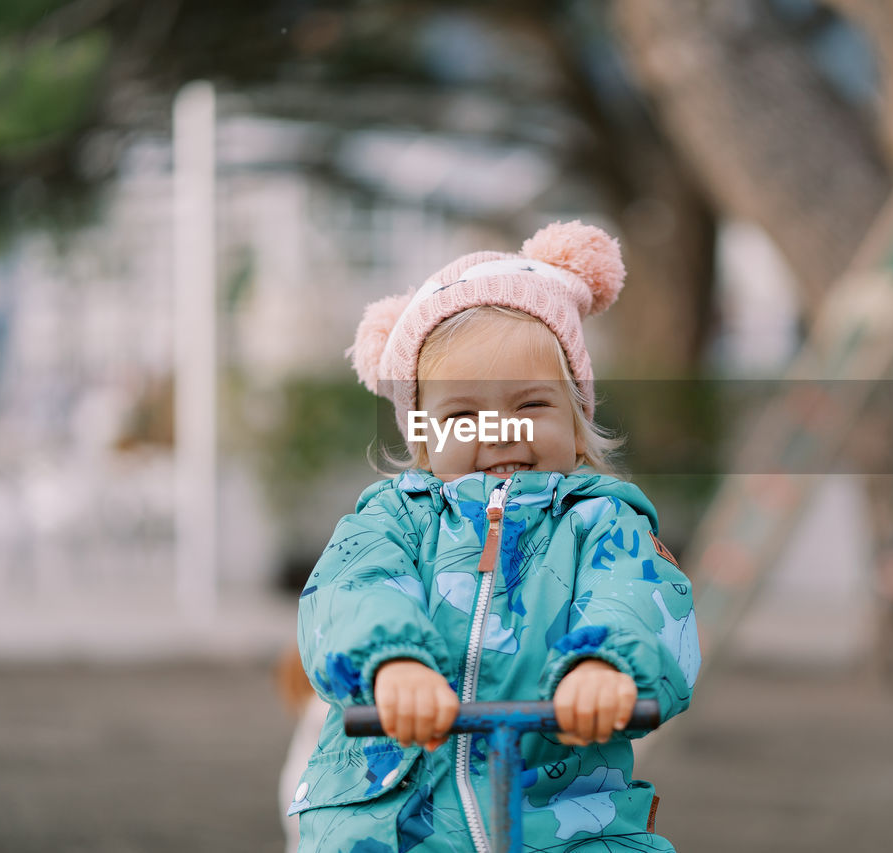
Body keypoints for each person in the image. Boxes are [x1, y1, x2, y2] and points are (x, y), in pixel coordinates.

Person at [288, 220, 701, 852]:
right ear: (423, 435)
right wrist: (392, 664)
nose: (501, 431)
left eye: (531, 405)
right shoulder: (391, 522)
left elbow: (641, 595)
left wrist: (605, 664)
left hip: (561, 812)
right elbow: (351, 589)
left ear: (577, 416)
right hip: (398, 815)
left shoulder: (603, 524)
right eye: (461, 416)